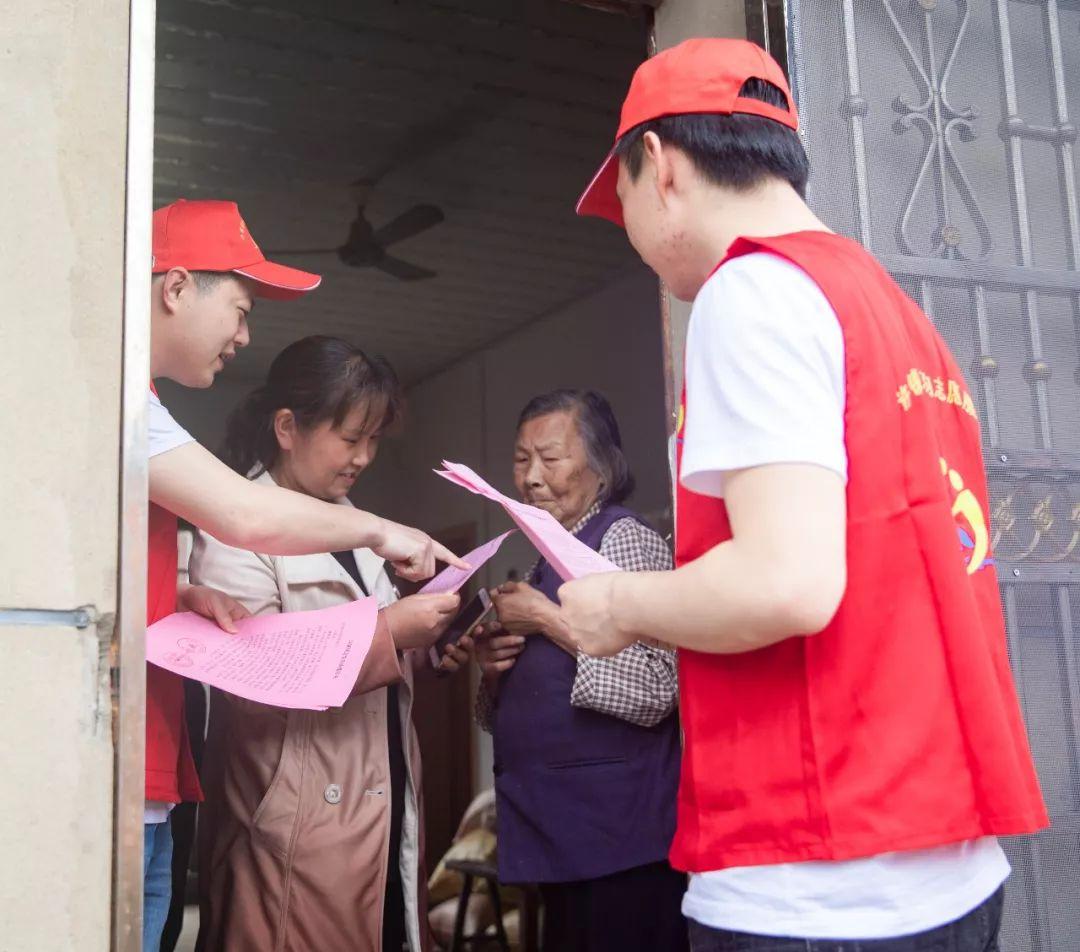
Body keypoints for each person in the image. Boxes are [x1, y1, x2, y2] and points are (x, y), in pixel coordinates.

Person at [558, 38, 1049, 951]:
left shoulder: (751, 293)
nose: (623, 229)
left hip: (818, 872)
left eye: (617, 198)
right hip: (944, 861)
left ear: (659, 167)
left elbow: (787, 582)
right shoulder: (888, 309)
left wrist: (617, 604)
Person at [144, 200, 465, 950]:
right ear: (177, 287)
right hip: (291, 831)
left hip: (373, 818)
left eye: (371, 442)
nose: (246, 334)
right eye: (242, 309)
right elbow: (258, 662)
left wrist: (425, 643)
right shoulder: (235, 507)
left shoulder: (344, 526)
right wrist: (390, 624)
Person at [472, 389, 687, 952]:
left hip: (621, 839)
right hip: (562, 836)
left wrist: (545, 619)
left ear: (601, 465)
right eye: (522, 460)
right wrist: (496, 675)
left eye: (551, 457)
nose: (532, 478)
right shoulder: (549, 552)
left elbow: (659, 686)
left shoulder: (624, 538)